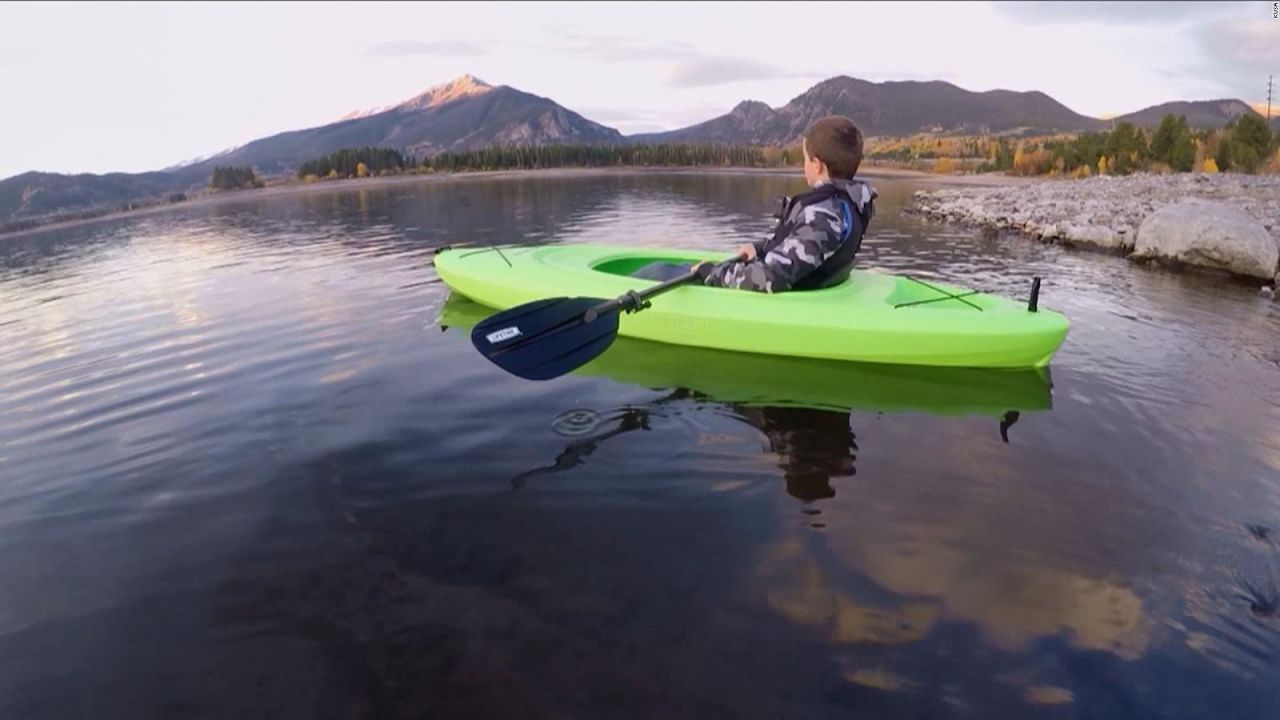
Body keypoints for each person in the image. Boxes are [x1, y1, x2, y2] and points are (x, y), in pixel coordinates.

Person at [690, 115, 878, 293]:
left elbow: (769, 278)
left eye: (805, 159)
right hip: (806, 286)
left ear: (817, 165)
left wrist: (711, 273)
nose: (803, 165)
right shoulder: (847, 205)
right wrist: (759, 248)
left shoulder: (824, 215)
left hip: (792, 301)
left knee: (663, 271)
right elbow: (797, 245)